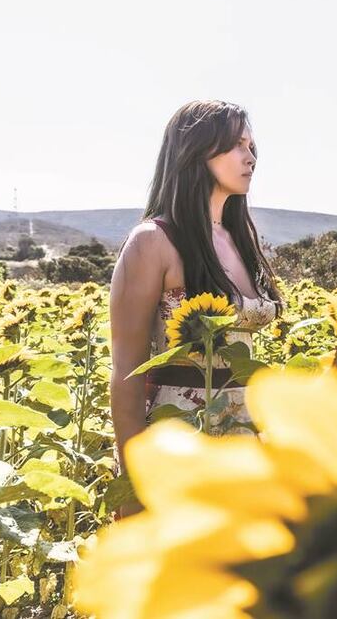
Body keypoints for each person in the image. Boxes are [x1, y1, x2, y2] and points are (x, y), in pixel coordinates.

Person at [109, 101, 282, 499]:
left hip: (246, 445)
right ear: (197, 149)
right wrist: (133, 484)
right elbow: (126, 374)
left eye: (252, 147)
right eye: (238, 145)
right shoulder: (152, 242)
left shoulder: (240, 240)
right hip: (177, 444)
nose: (250, 157)